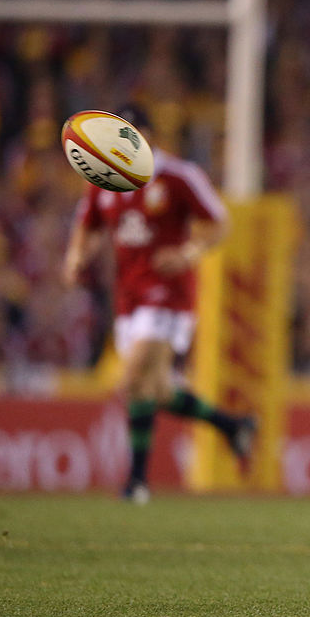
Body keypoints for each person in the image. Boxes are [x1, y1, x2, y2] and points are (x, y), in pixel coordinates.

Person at [63, 104, 255, 504]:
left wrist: (187, 254)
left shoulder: (177, 176)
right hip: (128, 298)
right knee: (157, 388)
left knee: (133, 380)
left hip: (169, 295)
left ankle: (136, 482)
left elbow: (219, 222)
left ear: (148, 137)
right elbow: (88, 227)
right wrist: (75, 257)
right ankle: (231, 425)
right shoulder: (103, 179)